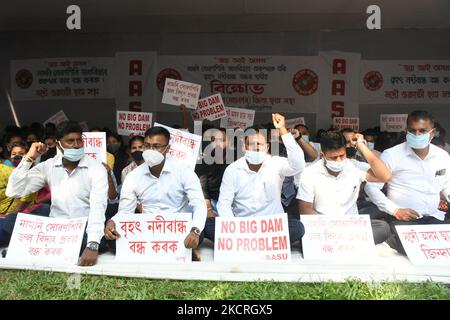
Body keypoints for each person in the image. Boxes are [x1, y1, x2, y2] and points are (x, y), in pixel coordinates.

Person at [5, 121, 108, 266]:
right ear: (59, 144)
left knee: (86, 240)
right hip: (55, 229)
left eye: (79, 140)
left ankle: (26, 248)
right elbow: (14, 191)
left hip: (83, 229)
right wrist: (29, 158)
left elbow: (98, 207)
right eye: (70, 141)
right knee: (12, 221)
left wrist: (92, 245)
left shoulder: (96, 168)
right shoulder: (49, 166)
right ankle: (32, 246)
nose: (76, 145)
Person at [104, 126, 206, 256]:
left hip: (178, 228)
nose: (151, 150)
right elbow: (125, 211)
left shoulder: (184, 171)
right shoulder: (133, 176)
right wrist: (113, 221)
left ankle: (184, 246)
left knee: (200, 231)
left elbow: (198, 204)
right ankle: (179, 250)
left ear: (167, 149)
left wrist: (195, 231)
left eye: (157, 146)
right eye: (147, 146)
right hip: (148, 228)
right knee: (114, 240)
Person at [365, 111, 450, 254]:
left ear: (432, 132)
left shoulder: (442, 156)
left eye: (422, 131)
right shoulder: (392, 155)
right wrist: (395, 210)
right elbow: (371, 187)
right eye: (412, 130)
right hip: (403, 221)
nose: (417, 135)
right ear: (406, 131)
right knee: (414, 250)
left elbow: (447, 185)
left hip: (435, 217)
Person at [216, 113, 306, 245]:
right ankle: (257, 243)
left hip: (271, 227)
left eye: (260, 144)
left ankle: (253, 243)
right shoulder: (233, 169)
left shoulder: (276, 163)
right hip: (242, 227)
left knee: (298, 228)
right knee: (209, 226)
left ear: (267, 148)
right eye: (252, 144)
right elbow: (224, 204)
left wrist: (282, 130)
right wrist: (233, 231)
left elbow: (298, 165)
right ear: (244, 147)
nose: (257, 147)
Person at [297, 131, 392, 244]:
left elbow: (385, 176)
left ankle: (345, 241)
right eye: (334, 157)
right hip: (324, 227)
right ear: (322, 155)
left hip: (351, 226)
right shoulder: (309, 173)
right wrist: (329, 227)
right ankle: (348, 242)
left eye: (342, 156)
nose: (339, 161)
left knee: (383, 228)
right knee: (300, 230)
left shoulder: (354, 166)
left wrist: (361, 145)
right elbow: (305, 209)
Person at [195, 127, 229, 242]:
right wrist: (209, 210)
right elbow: (202, 188)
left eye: (222, 140)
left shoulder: (236, 162)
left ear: (229, 142)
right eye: (214, 140)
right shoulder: (203, 162)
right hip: (211, 205)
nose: (218, 144)